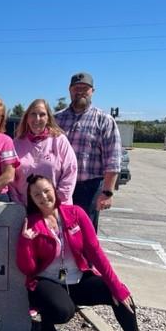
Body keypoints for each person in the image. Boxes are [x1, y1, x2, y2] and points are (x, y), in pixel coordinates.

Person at [16, 175, 155, 331]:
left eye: (46, 190)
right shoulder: (31, 223)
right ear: (31, 198)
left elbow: (95, 252)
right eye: (37, 194)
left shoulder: (75, 213)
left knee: (120, 293)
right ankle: (47, 321)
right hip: (47, 281)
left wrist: (115, 286)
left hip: (78, 278)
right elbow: (27, 268)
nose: (43, 197)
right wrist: (25, 242)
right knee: (63, 311)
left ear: (54, 191)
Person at [55, 72, 122, 231]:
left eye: (85, 88)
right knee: (58, 231)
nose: (80, 91)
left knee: (84, 234)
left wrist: (107, 192)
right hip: (58, 186)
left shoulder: (104, 120)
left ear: (92, 91)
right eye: (76, 87)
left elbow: (113, 159)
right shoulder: (56, 120)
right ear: (70, 90)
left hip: (89, 189)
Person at [11, 99, 77, 206]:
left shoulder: (59, 140)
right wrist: (18, 204)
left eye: (42, 115)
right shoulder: (16, 144)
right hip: (25, 207)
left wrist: (57, 200)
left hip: (56, 206)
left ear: (48, 118)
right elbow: (10, 178)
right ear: (27, 118)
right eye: (33, 114)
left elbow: (71, 170)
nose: (37, 119)